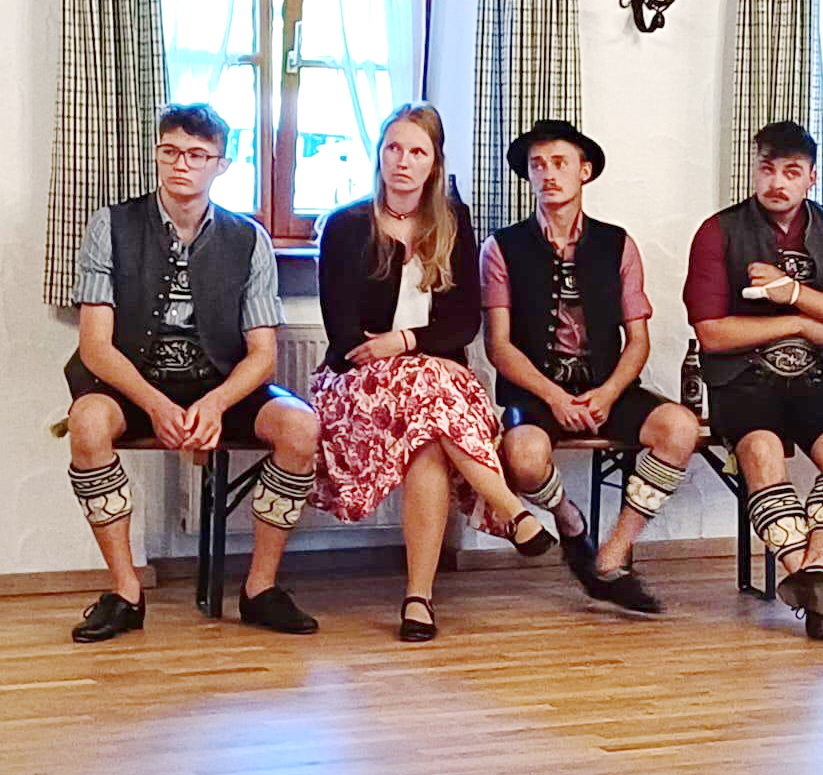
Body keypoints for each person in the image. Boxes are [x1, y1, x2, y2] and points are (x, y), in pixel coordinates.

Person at [63, 104, 321, 643]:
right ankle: (126, 593)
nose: (182, 164)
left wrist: (218, 402)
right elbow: (95, 347)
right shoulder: (111, 226)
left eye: (197, 155)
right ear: (157, 154)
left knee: (300, 427)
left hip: (217, 385)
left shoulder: (249, 239)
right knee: (86, 424)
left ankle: (260, 589)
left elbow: (262, 356)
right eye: (171, 151)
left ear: (220, 165)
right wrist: (156, 404)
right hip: (132, 384)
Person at [312, 103, 548, 642]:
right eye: (393, 148)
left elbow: (464, 323)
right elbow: (345, 336)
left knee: (430, 437)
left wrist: (403, 342)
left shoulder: (453, 225)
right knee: (432, 396)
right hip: (357, 385)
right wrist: (410, 354)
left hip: (435, 388)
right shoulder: (344, 226)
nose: (403, 161)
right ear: (379, 154)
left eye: (417, 152)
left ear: (434, 163)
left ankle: (419, 599)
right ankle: (511, 510)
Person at [483, 120, 701, 614]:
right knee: (522, 459)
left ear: (584, 171)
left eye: (560, 163)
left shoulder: (618, 244)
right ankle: (570, 521)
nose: (548, 174)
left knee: (680, 427)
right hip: (536, 391)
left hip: (607, 387)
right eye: (538, 165)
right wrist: (555, 397)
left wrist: (607, 393)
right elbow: (499, 346)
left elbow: (638, 341)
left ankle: (612, 554)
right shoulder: (500, 248)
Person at [684, 121, 823, 640]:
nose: (777, 182)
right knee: (761, 452)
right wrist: (799, 323)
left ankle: (816, 575)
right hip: (742, 379)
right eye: (767, 169)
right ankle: (818, 594)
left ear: (812, 177)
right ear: (754, 171)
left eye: (792, 172)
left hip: (821, 378)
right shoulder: (718, 231)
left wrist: (792, 292)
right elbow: (712, 334)